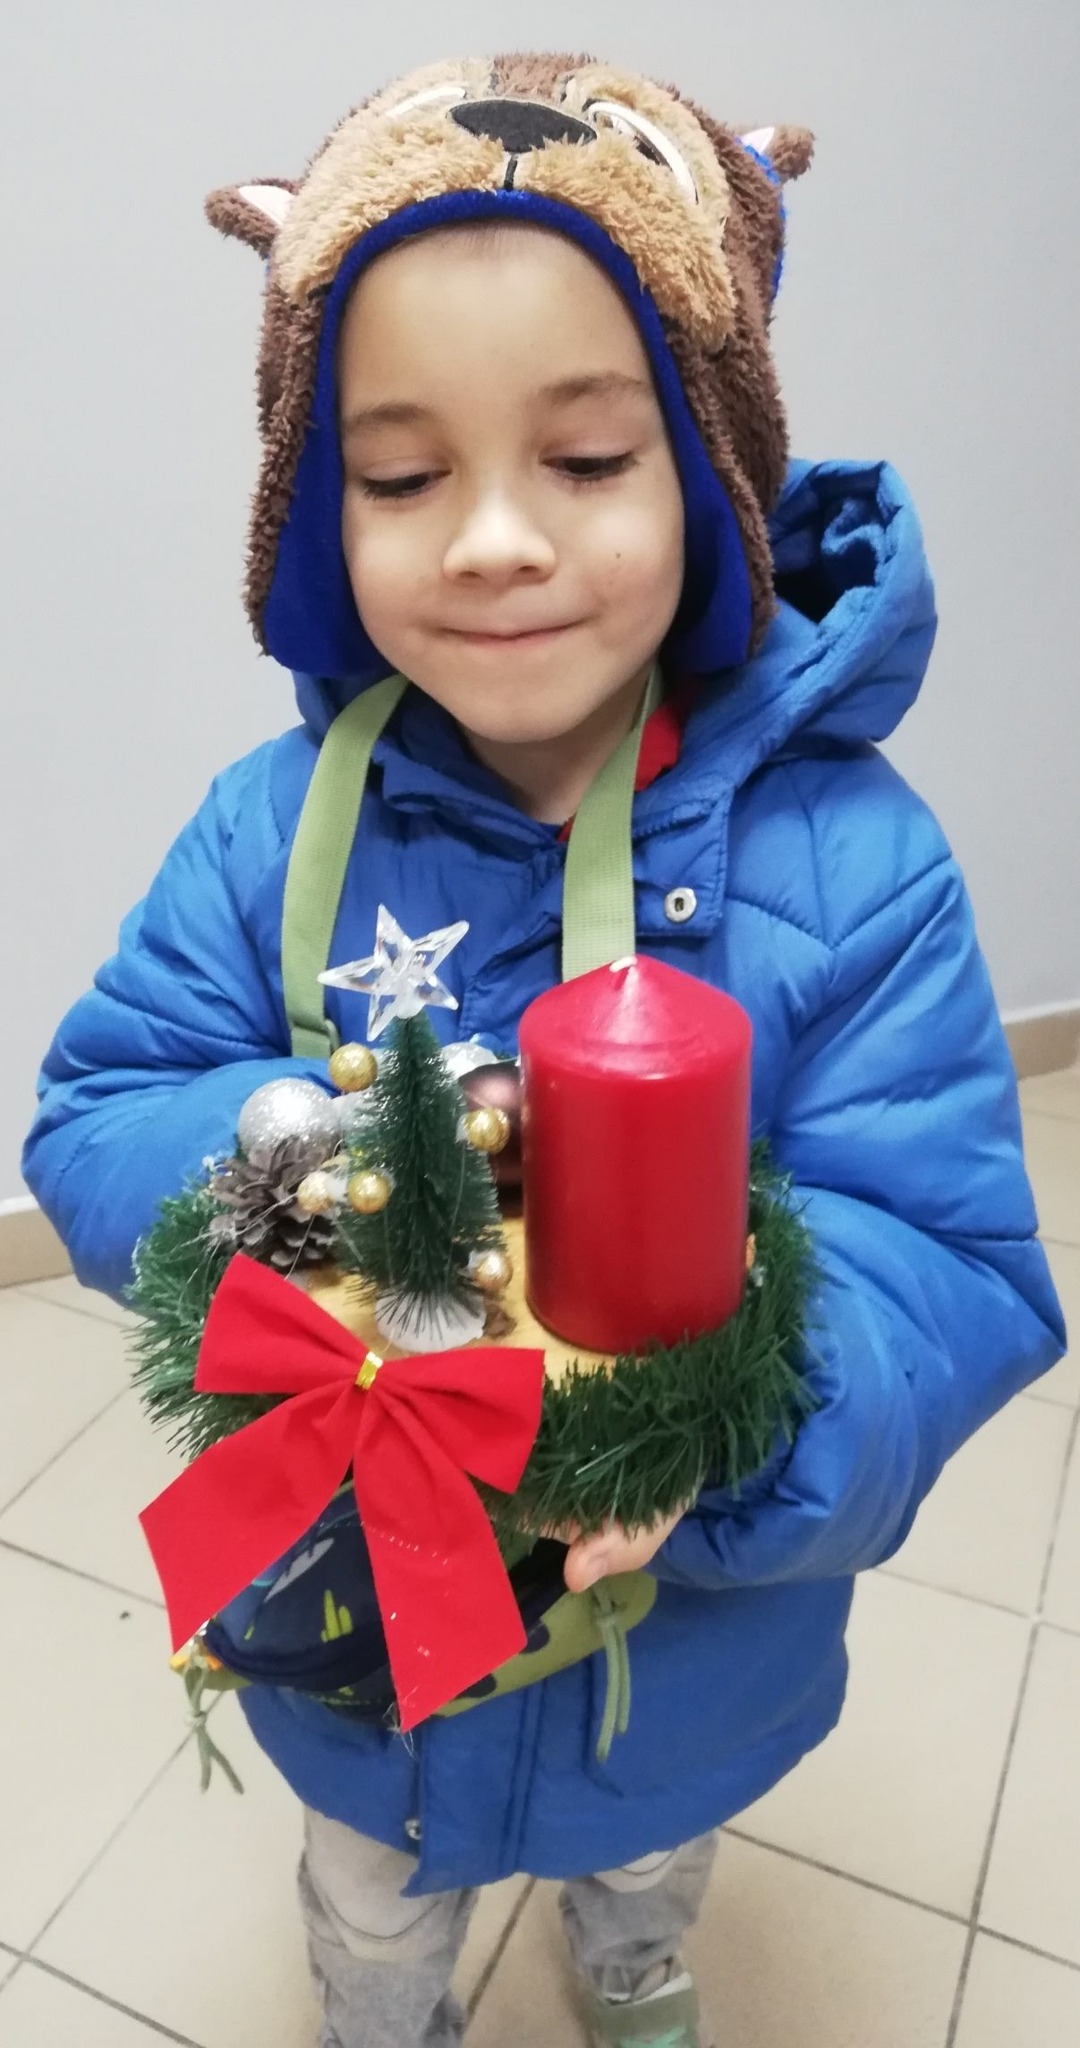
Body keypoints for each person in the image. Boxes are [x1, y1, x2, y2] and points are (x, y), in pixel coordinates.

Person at [22, 53, 1066, 2048]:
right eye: (404, 477)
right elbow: (97, 1115)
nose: (493, 539)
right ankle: (385, 2002)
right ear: (320, 510)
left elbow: (954, 1269)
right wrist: (293, 1162)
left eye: (584, 459)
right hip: (363, 1620)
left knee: (649, 1853)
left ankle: (638, 1958)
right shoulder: (273, 830)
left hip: (678, 1654)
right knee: (370, 1888)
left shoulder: (856, 872)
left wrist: (722, 1412)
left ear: (710, 472)